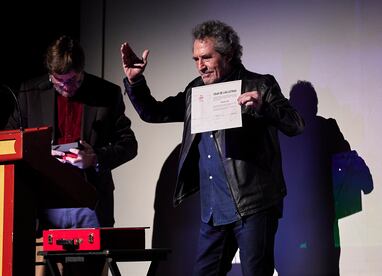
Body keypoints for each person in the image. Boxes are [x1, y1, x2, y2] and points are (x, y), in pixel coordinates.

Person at [121, 20, 304, 276]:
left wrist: (263, 107)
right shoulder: (195, 90)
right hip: (213, 210)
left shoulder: (259, 84)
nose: (200, 65)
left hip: (252, 206)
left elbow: (295, 125)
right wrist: (136, 82)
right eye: (196, 58)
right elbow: (154, 112)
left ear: (228, 54)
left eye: (206, 57)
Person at [7, 35, 138, 275]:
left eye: (74, 81)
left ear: (82, 71)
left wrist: (95, 157)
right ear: (50, 73)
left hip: (89, 205)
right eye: (60, 82)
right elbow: (10, 142)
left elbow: (129, 145)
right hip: (44, 205)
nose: (67, 87)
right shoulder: (29, 93)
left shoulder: (107, 94)